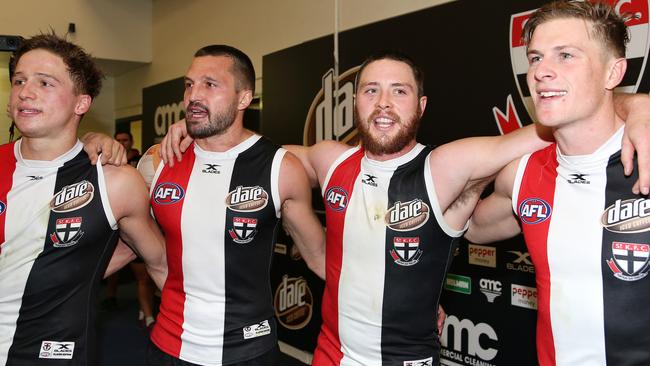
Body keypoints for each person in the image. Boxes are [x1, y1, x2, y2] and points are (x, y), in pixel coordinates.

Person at [161, 44, 650, 363]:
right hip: (328, 356)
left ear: (421, 105)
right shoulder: (329, 161)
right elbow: (244, 150)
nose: (384, 103)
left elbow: (553, 124)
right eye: (371, 91)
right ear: (356, 105)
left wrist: (634, 105)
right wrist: (195, 130)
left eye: (400, 91)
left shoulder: (446, 167)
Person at [466, 1, 650, 365]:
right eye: (535, 58)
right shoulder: (522, 175)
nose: (541, 72)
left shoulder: (645, 155)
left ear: (613, 74)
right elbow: (470, 229)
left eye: (565, 55)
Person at [141, 45, 326, 366]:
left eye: (210, 85)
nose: (193, 96)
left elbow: (320, 257)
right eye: (189, 85)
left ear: (244, 99)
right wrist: (94, 142)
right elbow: (124, 232)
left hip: (248, 349)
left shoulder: (280, 168)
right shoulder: (157, 161)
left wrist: (402, 300)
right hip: (169, 345)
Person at [0, 34, 166, 366]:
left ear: (81, 103)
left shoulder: (115, 181)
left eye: (45, 83)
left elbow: (159, 262)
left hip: (56, 355)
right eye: (19, 80)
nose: (25, 91)